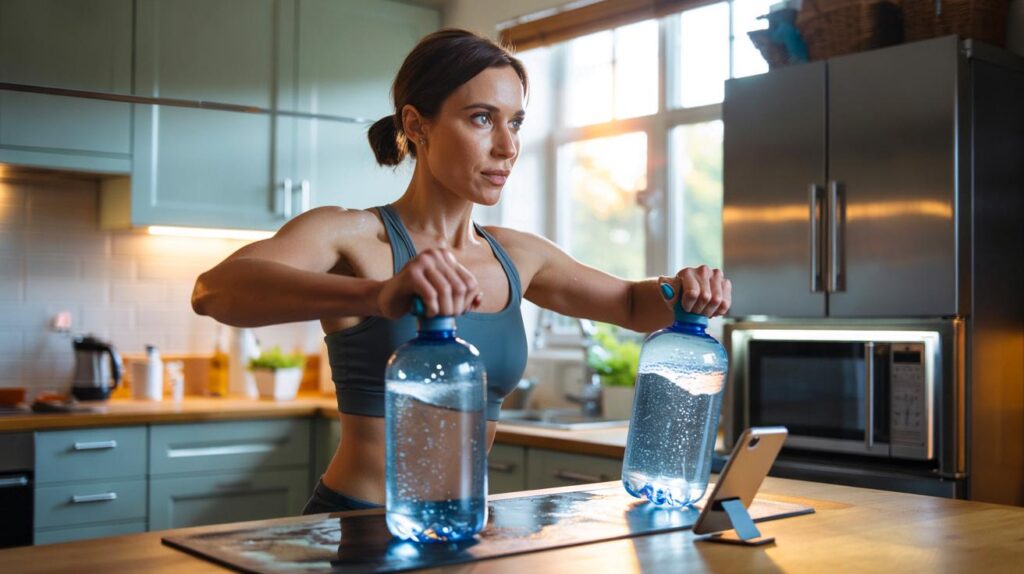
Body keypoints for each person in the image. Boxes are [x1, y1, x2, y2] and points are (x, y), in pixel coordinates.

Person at [191, 29, 732, 514]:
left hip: (459, 528)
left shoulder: (517, 255)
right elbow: (214, 291)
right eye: (482, 118)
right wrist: (378, 296)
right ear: (416, 124)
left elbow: (632, 305)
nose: (508, 146)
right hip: (357, 525)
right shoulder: (352, 236)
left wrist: (684, 290)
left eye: (515, 122)